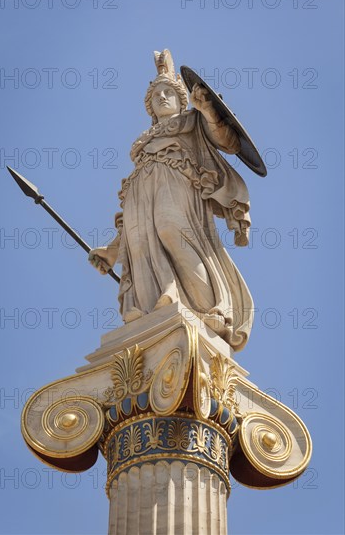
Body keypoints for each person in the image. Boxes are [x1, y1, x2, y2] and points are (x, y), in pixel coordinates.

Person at [89, 50, 253, 352]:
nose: (162, 97)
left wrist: (208, 111)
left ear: (181, 100)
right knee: (139, 241)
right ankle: (150, 304)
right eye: (156, 95)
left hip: (176, 182)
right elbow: (125, 218)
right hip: (142, 189)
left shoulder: (193, 121)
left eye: (169, 92)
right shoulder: (144, 144)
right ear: (149, 107)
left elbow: (228, 142)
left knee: (171, 230)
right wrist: (113, 250)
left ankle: (211, 311)